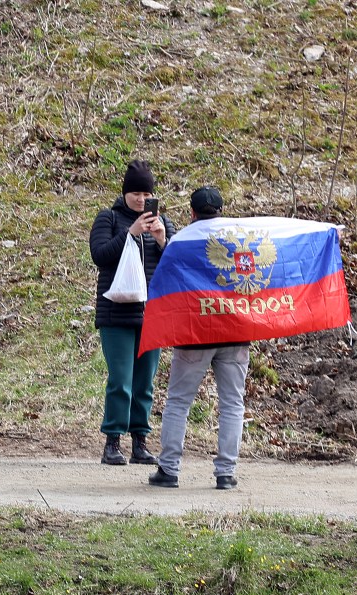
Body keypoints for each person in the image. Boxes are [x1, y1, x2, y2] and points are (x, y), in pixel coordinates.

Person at [148, 187, 248, 490]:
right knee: (232, 403)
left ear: (192, 213)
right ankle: (226, 473)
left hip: (195, 333)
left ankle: (169, 470)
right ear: (221, 210)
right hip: (236, 329)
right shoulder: (240, 237)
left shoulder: (181, 241)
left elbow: (168, 282)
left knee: (178, 402)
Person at [90, 160, 176, 465]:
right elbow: (99, 256)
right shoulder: (109, 218)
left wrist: (163, 240)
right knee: (120, 380)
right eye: (136, 193)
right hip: (116, 314)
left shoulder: (160, 222)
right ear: (125, 193)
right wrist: (130, 232)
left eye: (146, 193)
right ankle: (112, 442)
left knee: (145, 382)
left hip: (151, 314)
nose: (141, 199)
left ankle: (140, 442)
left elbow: (175, 265)